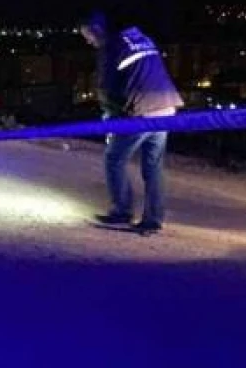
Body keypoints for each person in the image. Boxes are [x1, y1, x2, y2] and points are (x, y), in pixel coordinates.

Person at [78, 12, 185, 234]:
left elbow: (107, 90)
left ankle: (122, 211)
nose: (88, 41)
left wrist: (110, 121)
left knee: (114, 158)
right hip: (166, 106)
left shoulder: (111, 48)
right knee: (153, 165)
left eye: (87, 36)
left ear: (97, 30)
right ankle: (153, 219)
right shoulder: (141, 38)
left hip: (142, 112)